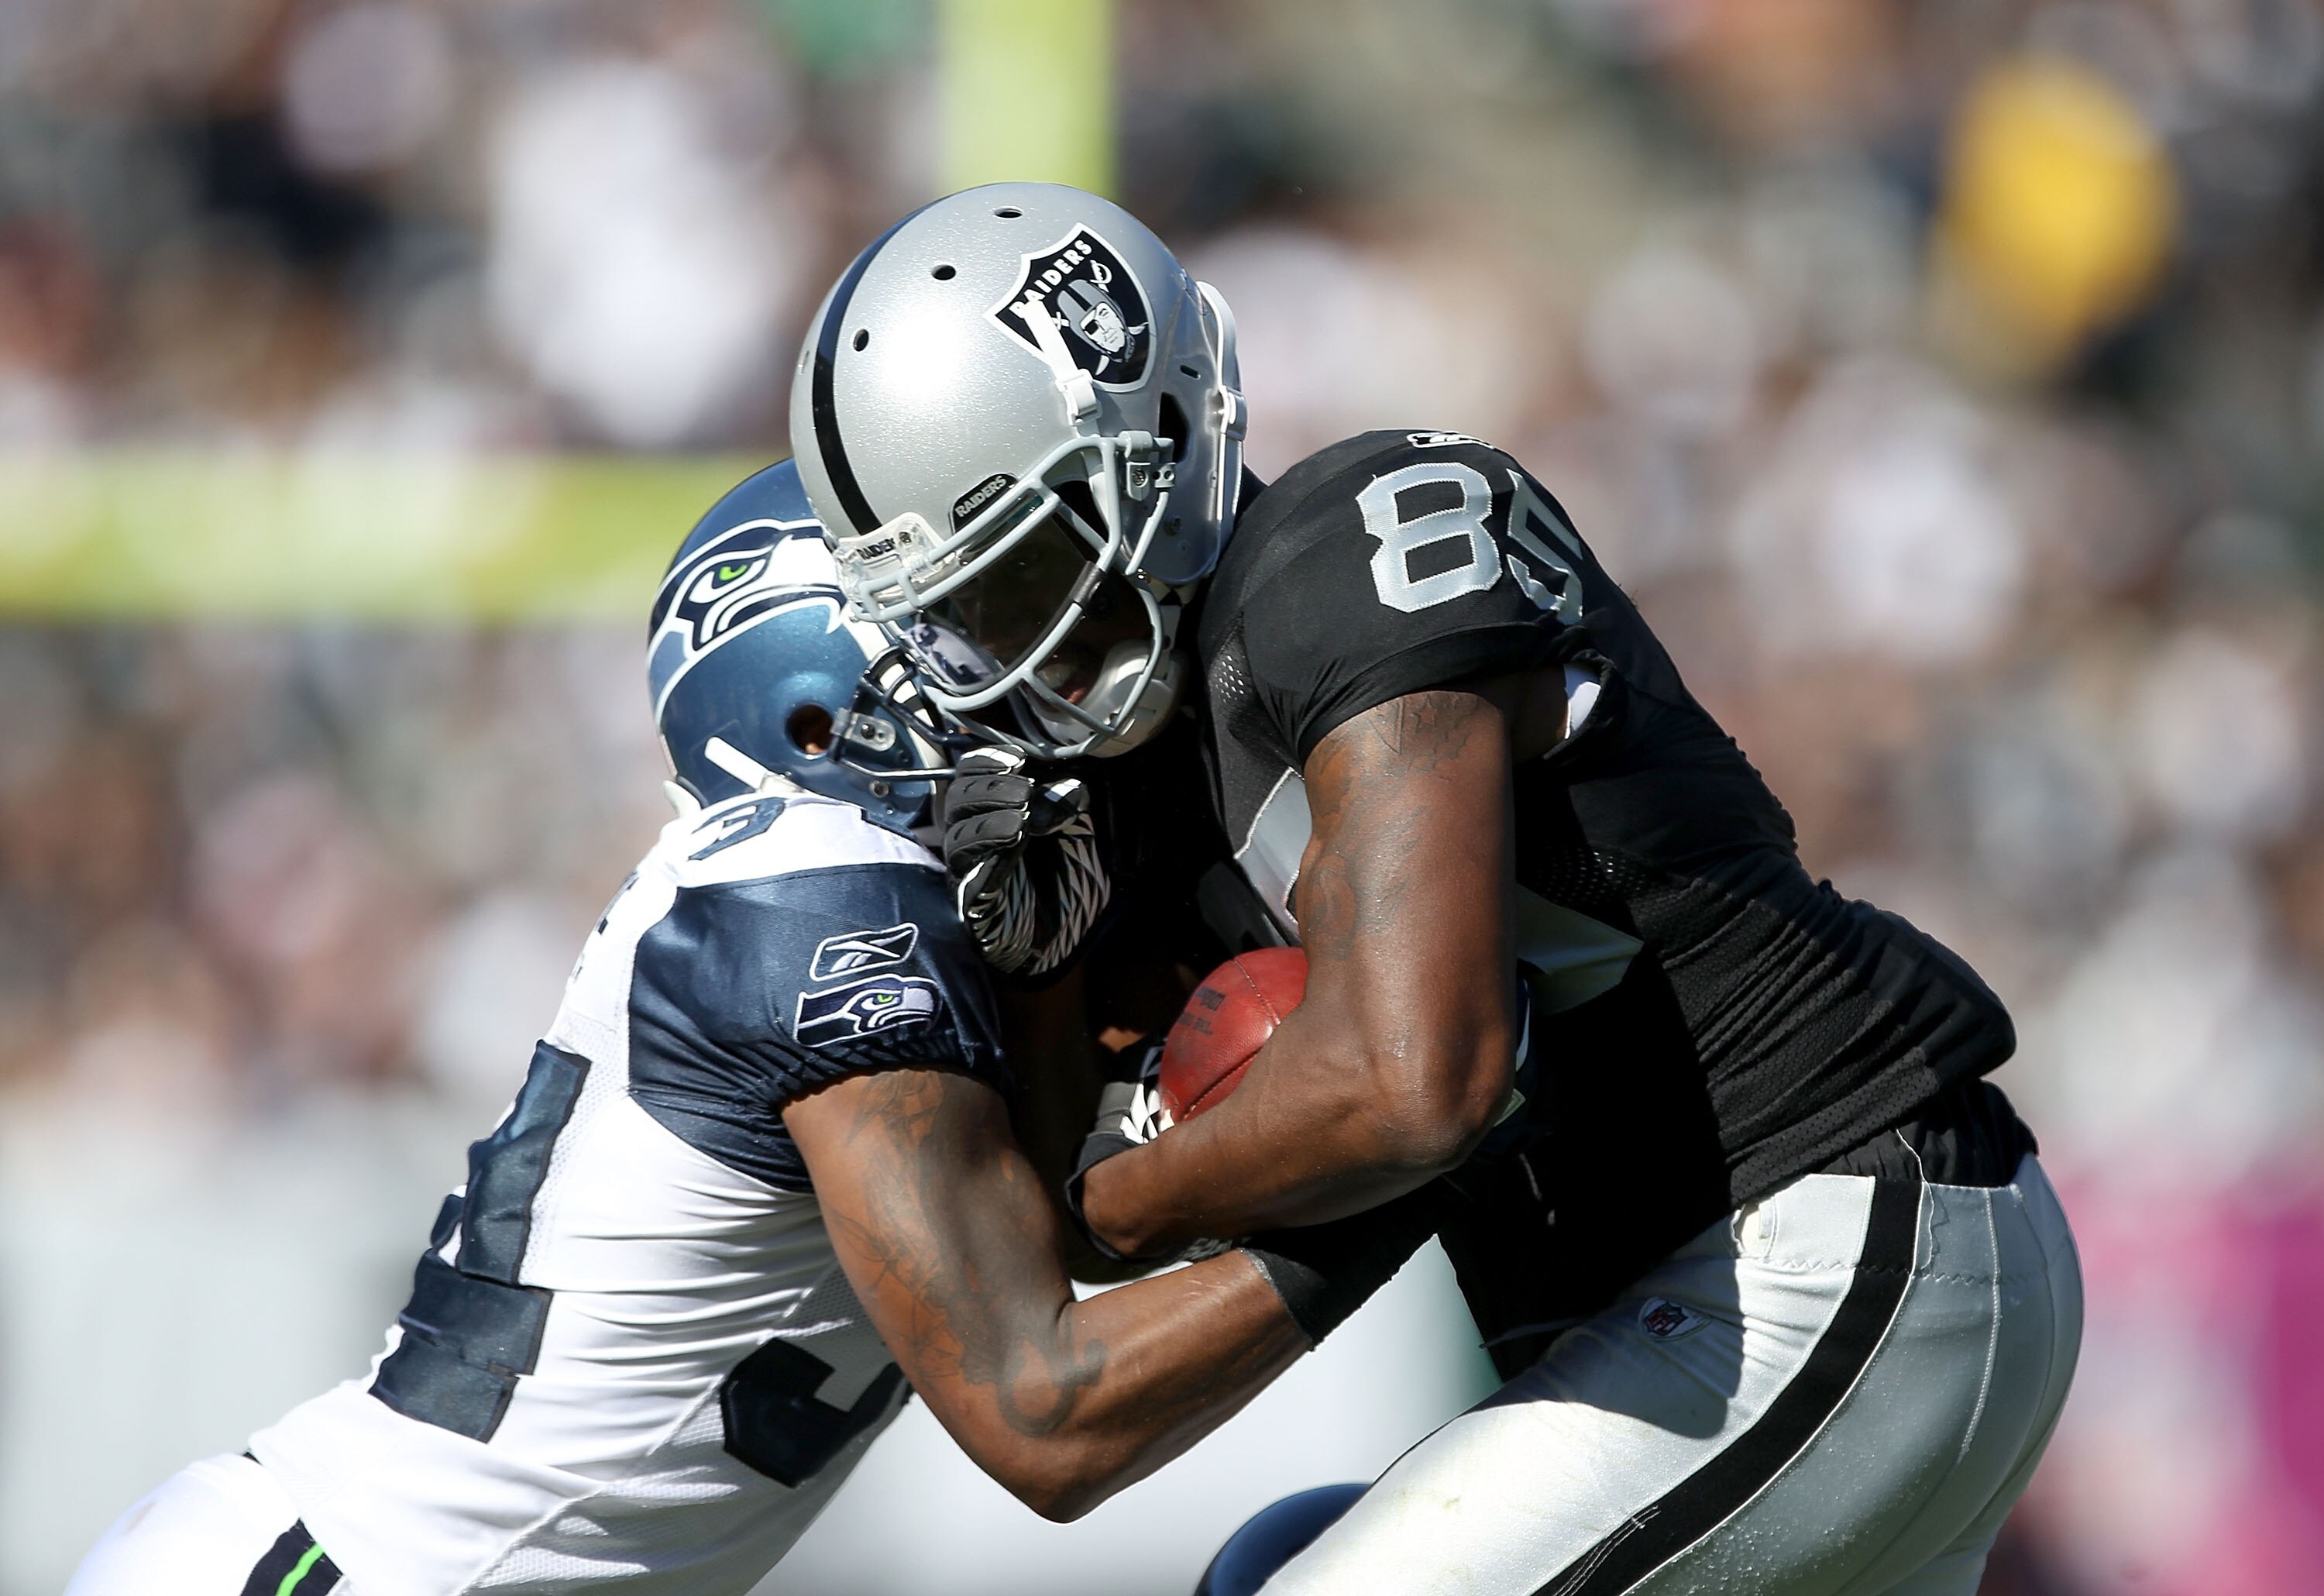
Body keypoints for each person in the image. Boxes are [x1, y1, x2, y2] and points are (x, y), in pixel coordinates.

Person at [789, 182, 2085, 1595]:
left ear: (1150, 442)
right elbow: (1059, 1262)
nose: (1020, 651)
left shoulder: (1349, 547)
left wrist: (1127, 1203)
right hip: (1691, 1302)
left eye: (1032, 569)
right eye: (966, 618)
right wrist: (1039, 979)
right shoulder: (1122, 788)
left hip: (1823, 1213)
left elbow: (1417, 1078)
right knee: (1270, 1566)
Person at [64, 462, 1432, 1596]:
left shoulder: (814, 894)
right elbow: (1046, 1413)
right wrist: (1440, 1142)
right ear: (828, 691)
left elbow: (1063, 1225)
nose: (1006, 656)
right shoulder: (821, 899)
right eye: (947, 623)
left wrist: (1049, 984)